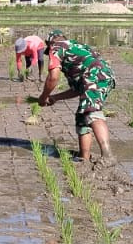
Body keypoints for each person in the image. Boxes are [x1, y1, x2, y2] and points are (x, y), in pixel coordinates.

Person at [37, 30, 114, 161]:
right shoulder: (76, 47)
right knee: (82, 116)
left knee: (92, 111)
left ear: (50, 42)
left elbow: (53, 77)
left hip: (94, 76)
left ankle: (107, 155)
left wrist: (43, 97)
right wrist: (55, 98)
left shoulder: (56, 47)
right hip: (102, 75)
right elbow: (77, 89)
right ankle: (83, 157)